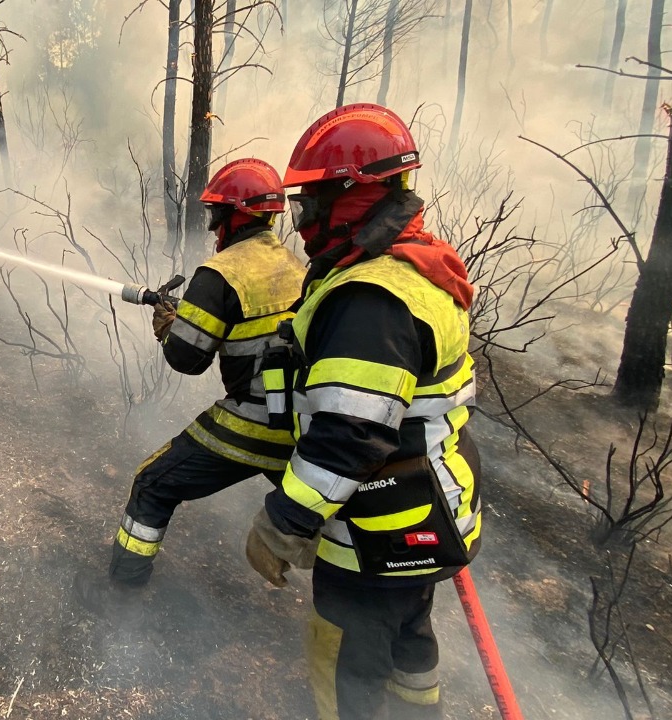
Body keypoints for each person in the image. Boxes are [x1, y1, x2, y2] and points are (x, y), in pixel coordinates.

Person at [243, 104, 481, 720]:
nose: (300, 223)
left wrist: (283, 522)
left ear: (351, 196)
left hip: (374, 532)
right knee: (409, 641)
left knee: (344, 660)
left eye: (310, 205)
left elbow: (345, 438)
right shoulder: (409, 266)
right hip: (420, 513)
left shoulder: (371, 301)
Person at [76, 158, 307, 610]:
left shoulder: (221, 274)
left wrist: (169, 328)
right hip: (300, 423)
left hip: (254, 418)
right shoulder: (296, 266)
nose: (213, 223)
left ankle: (121, 589)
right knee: (323, 511)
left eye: (217, 212)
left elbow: (187, 359)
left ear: (235, 215)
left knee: (152, 482)